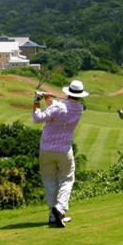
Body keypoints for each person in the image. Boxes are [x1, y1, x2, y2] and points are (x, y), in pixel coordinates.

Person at [32, 79, 89, 228]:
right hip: (64, 150)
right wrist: (48, 99)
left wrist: (37, 101)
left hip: (46, 150)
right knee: (67, 179)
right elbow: (59, 112)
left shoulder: (58, 107)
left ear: (68, 92)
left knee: (49, 180)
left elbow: (37, 118)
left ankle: (53, 213)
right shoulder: (80, 109)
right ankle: (60, 209)